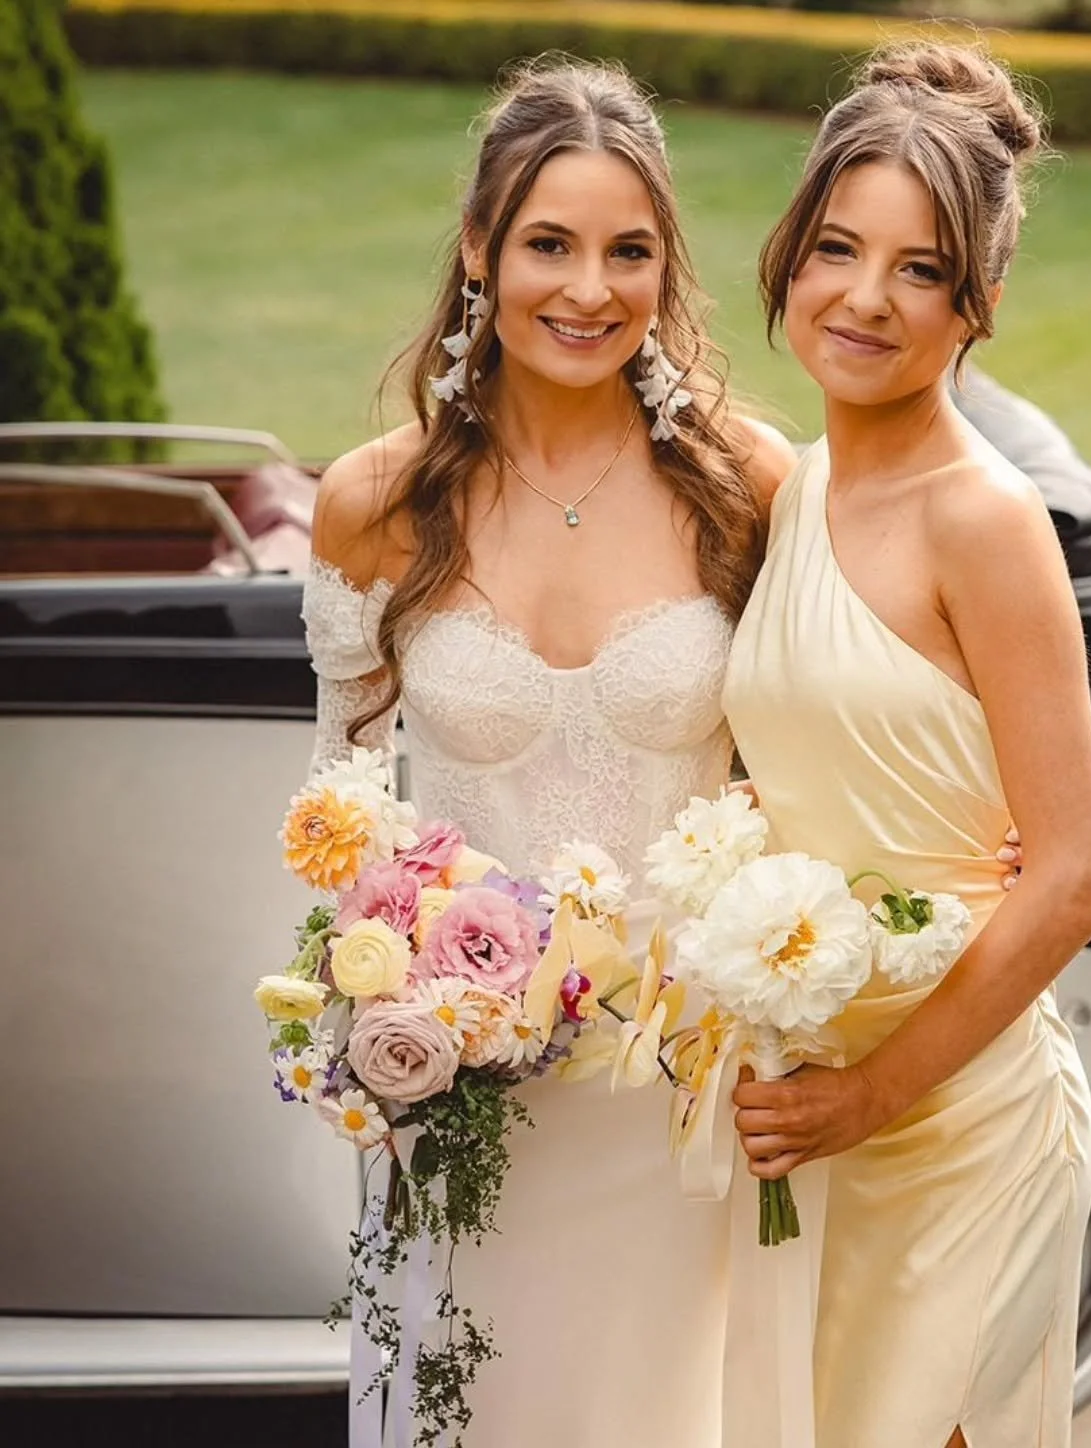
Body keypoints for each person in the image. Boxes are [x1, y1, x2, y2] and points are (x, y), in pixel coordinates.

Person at [300, 59, 795, 1447]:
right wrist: (379, 1006)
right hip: (465, 1110)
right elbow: (336, 807)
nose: (590, 289)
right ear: (480, 252)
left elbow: (816, 767)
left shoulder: (749, 484)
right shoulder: (377, 502)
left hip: (684, 1109)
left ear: (664, 266)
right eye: (549, 244)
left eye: (628, 250)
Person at [725, 40, 1091, 1448]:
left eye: (921, 270)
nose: (863, 297)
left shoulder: (988, 521)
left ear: (981, 305)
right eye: (837, 247)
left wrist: (873, 1093)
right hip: (808, 1114)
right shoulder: (799, 488)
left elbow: (1078, 873)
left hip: (955, 1123)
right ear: (789, 253)